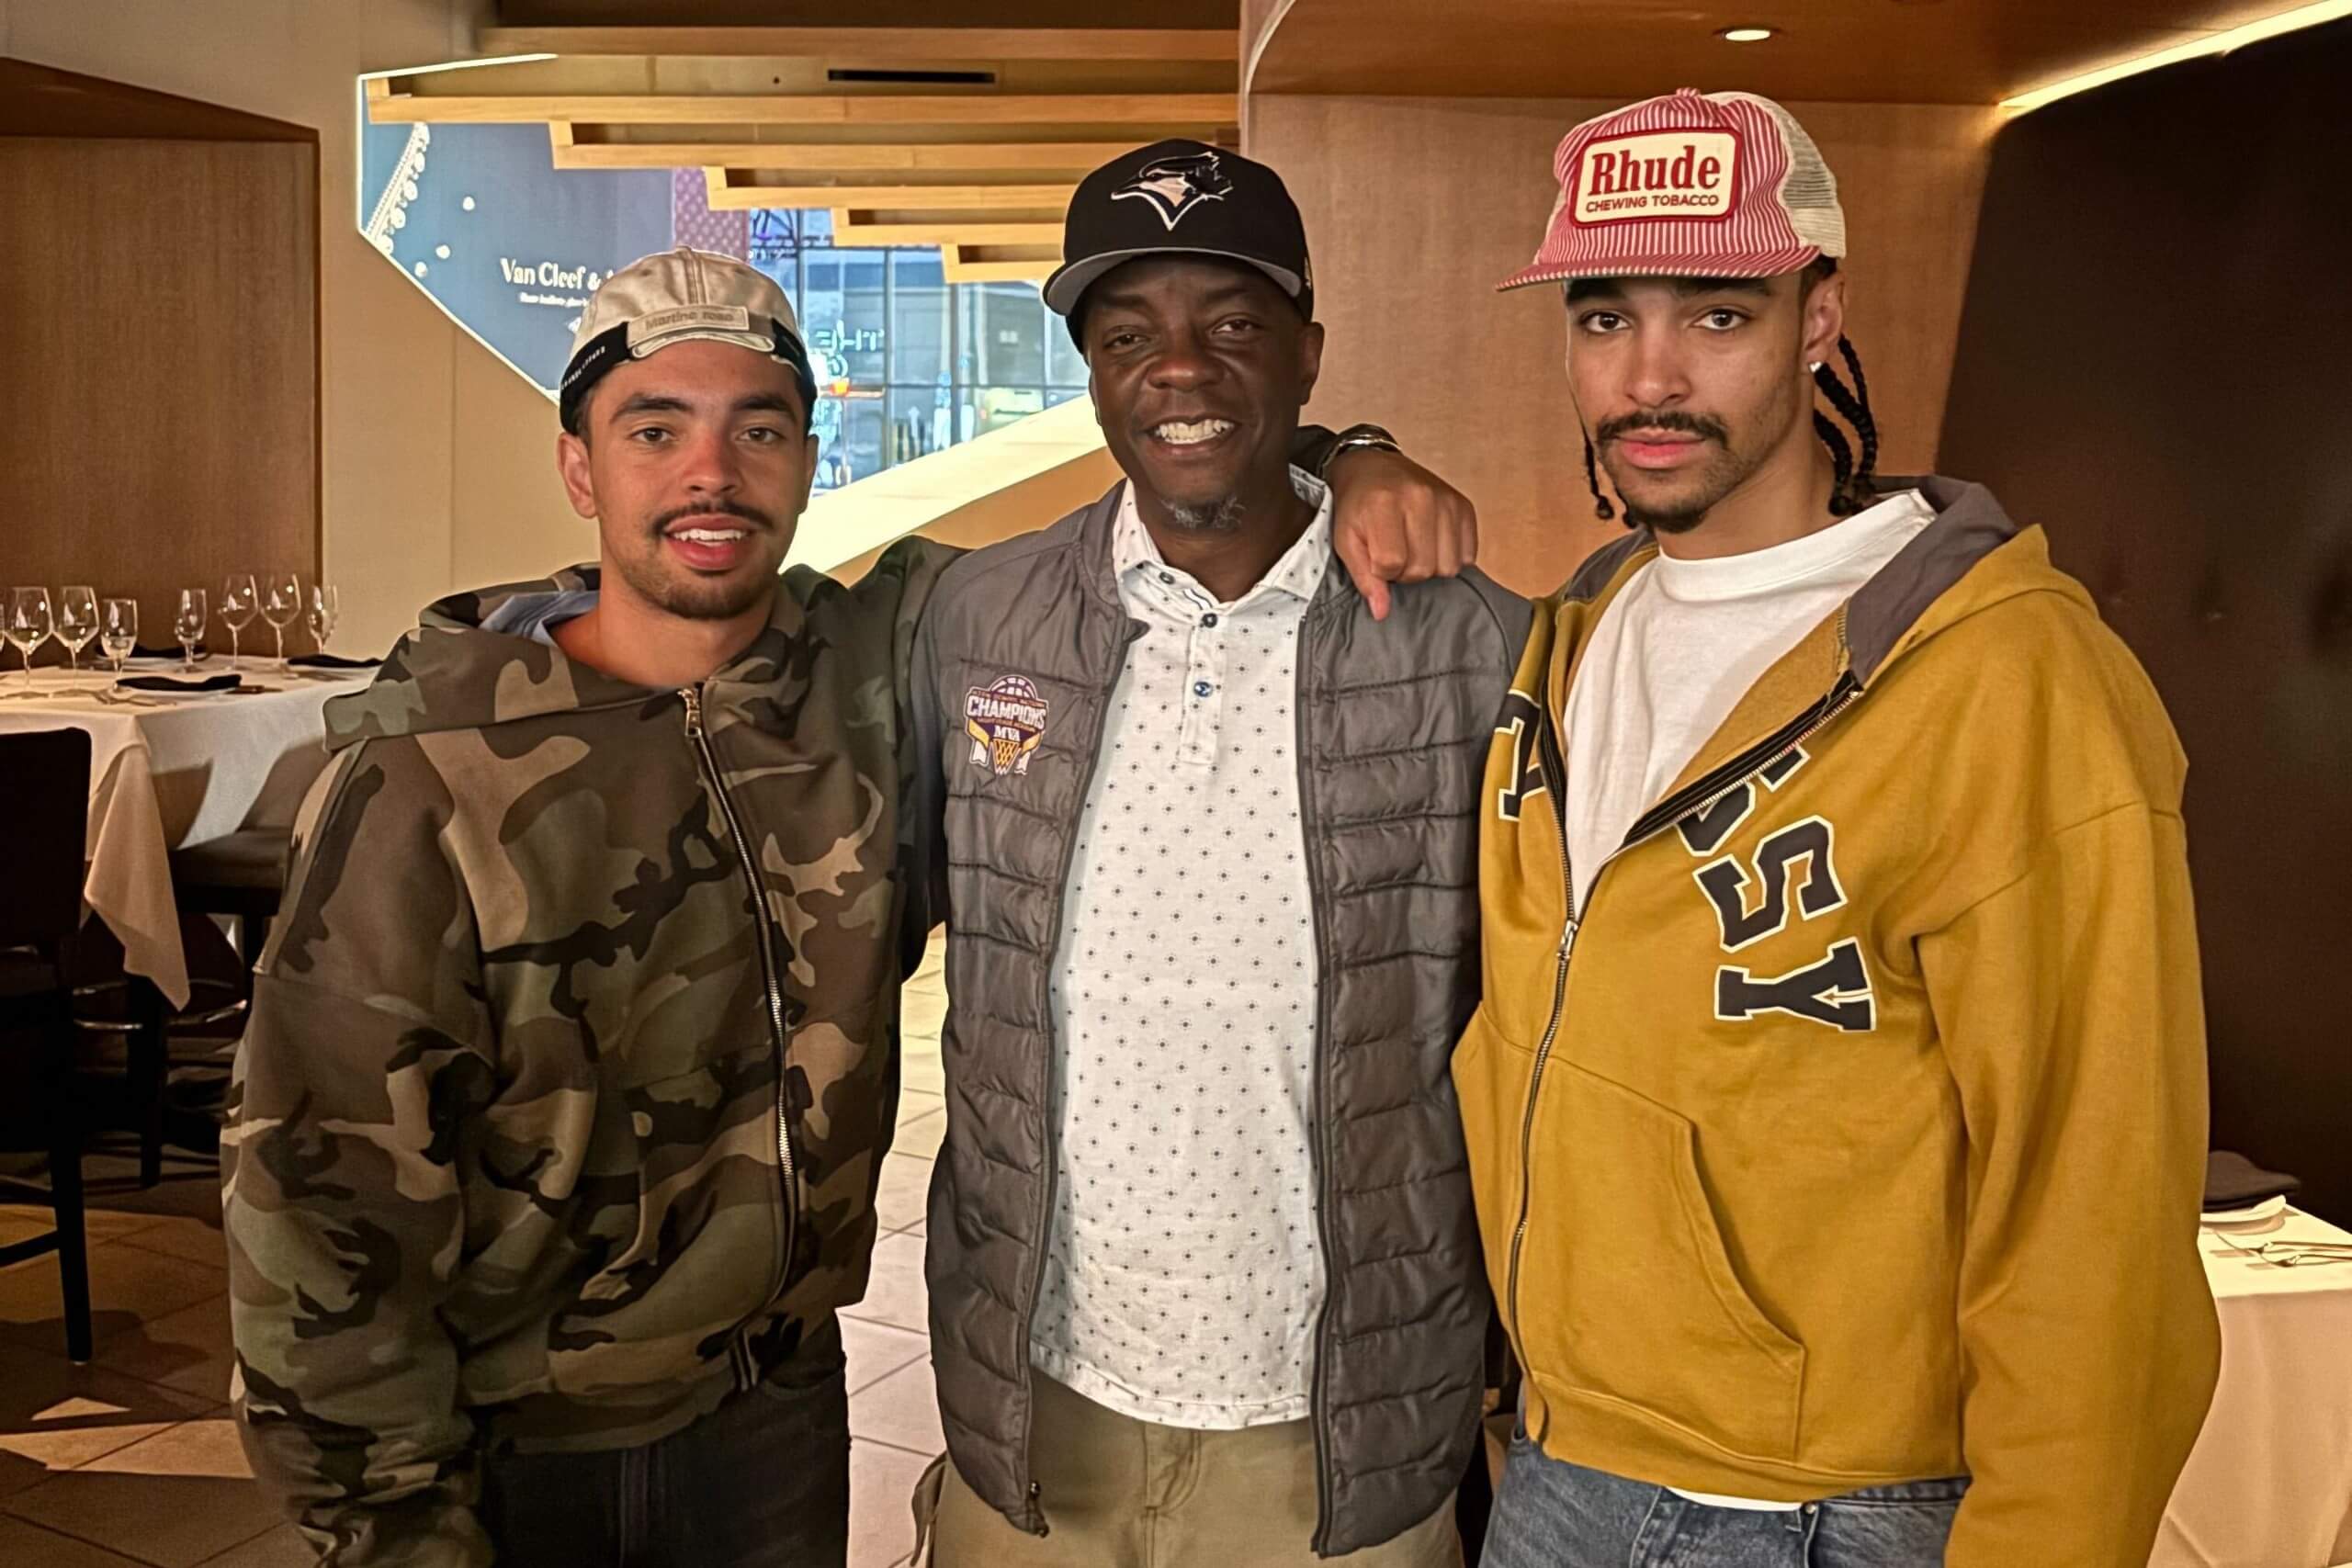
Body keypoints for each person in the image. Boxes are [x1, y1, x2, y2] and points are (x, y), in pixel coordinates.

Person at [223, 244, 1484, 1568]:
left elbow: (1192, 469)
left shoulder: (883, 656)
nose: (711, 473)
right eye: (654, 430)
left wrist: (1351, 457)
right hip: (517, 1440)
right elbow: (317, 1191)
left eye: (758, 428)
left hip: (775, 1410)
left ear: (809, 461)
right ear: (580, 469)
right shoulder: (429, 775)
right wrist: (391, 1521)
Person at [1454, 89, 2220, 1568]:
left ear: (1820, 319)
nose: (1650, 379)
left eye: (1718, 316)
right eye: (1605, 318)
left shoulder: (2009, 680)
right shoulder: (1574, 634)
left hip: (1826, 1518)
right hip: (1559, 1466)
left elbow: (2096, 1208)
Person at [910, 141, 1528, 1567]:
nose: (1179, 368)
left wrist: (1358, 452)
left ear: (1309, 353)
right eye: (1129, 336)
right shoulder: (979, 619)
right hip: (1040, 1399)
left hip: (1336, 1421)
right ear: (1090, 371)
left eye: (1234, 325)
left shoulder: (1472, 644)